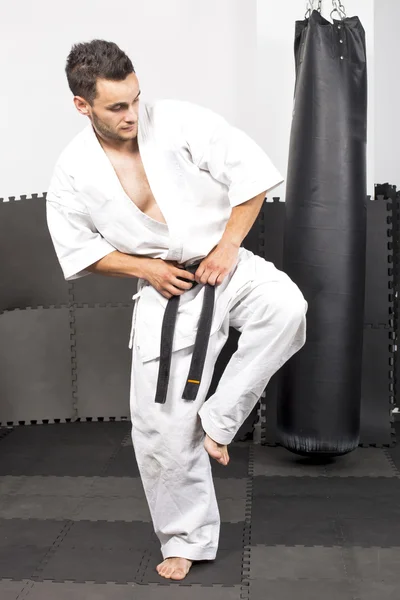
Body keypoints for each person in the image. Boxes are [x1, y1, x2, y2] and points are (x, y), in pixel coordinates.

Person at [46, 39, 308, 581]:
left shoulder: (179, 122)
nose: (131, 114)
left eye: (136, 99)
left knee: (287, 308)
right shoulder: (72, 171)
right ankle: (186, 537)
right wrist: (146, 270)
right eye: (116, 107)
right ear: (82, 105)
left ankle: (220, 418)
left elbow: (253, 175)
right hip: (165, 285)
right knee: (162, 427)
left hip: (223, 260)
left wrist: (229, 246)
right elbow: (80, 250)